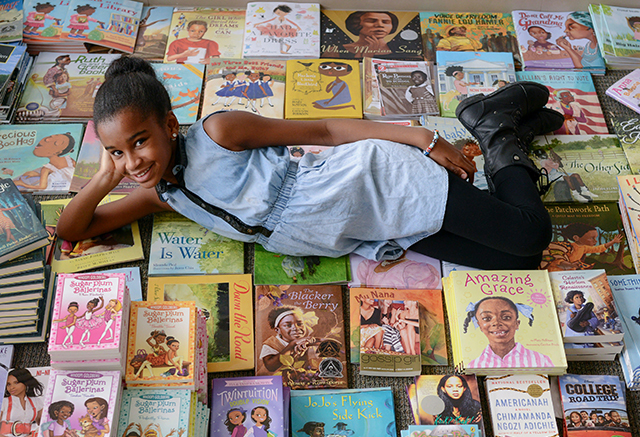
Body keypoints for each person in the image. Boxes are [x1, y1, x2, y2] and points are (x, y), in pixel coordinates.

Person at [57, 56, 563, 272]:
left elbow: (323, 130)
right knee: (516, 264)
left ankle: (494, 130)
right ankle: (509, 133)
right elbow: (72, 230)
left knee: (530, 237)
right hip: (364, 227)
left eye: (140, 141)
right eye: (118, 151)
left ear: (169, 123)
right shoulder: (159, 193)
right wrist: (105, 178)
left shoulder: (218, 132)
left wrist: (422, 138)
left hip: (374, 183)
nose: (134, 161)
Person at [464, 296, 555, 369]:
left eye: (506, 317)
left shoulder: (541, 360)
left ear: (517, 323)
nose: (496, 323)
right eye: (487, 318)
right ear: (479, 325)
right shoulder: (473, 365)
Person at [540, 223, 625, 272]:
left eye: (595, 238)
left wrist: (613, 242)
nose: (595, 241)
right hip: (556, 270)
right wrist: (570, 265)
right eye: (592, 238)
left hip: (570, 271)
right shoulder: (568, 247)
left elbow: (598, 248)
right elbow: (558, 260)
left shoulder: (584, 247)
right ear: (576, 238)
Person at [12, 132, 76, 193]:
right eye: (50, 136)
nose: (47, 139)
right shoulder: (46, 169)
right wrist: (38, 175)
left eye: (56, 143)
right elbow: (43, 186)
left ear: (58, 152)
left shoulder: (69, 160)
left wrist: (22, 184)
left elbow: (42, 187)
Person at [0, 368, 45, 437]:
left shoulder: (36, 402)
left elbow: (46, 424)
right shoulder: (4, 403)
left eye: (16, 383)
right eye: (8, 384)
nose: (11, 387)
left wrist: (35, 435)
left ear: (26, 383)